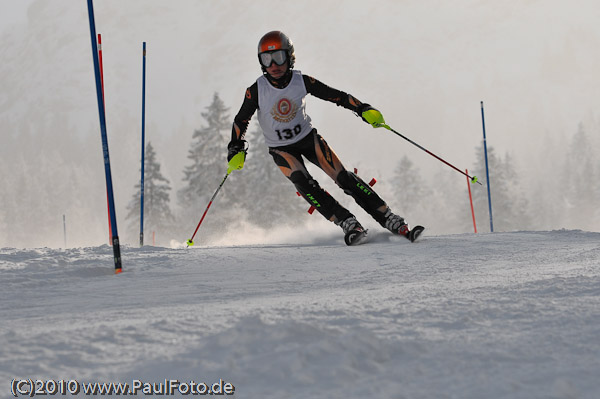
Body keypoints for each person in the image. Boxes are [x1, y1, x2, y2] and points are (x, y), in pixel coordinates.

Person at [227, 30, 423, 245]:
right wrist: (236, 147)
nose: (273, 64)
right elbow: (241, 120)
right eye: (267, 59)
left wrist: (362, 109)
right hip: (281, 149)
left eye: (278, 57)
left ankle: (388, 218)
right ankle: (347, 222)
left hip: (308, 139)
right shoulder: (256, 90)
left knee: (343, 178)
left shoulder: (301, 81)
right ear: (261, 62)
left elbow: (336, 95)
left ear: (290, 57)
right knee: (303, 182)